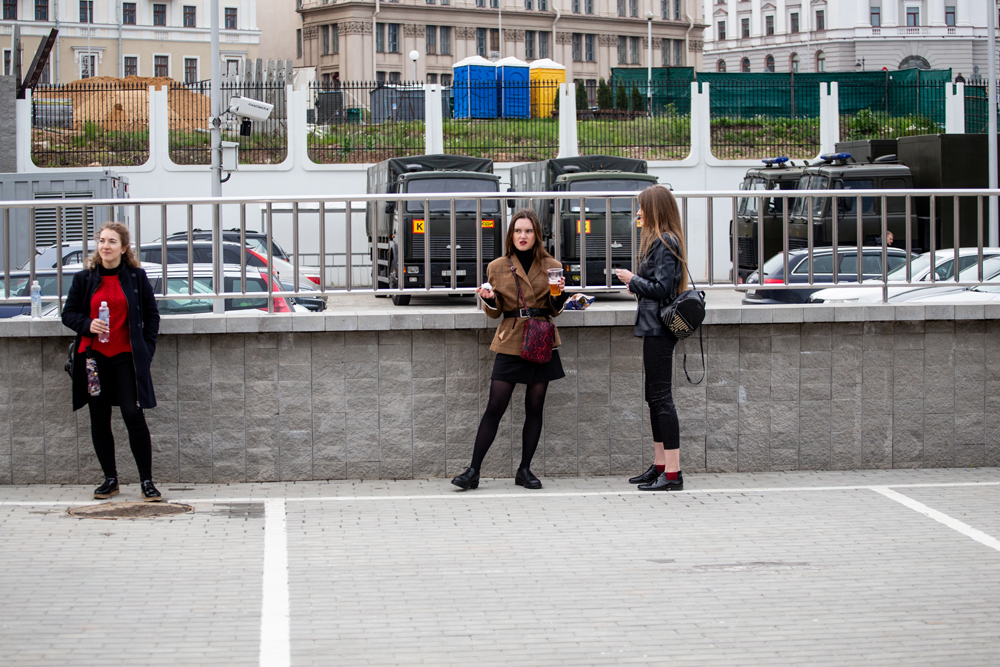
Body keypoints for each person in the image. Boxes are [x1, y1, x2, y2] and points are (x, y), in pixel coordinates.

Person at [451, 209, 568, 491]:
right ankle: (473, 470)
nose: (523, 236)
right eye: (518, 231)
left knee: (535, 407)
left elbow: (556, 310)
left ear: (536, 234)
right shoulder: (498, 266)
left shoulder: (552, 264)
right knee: (495, 406)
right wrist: (489, 299)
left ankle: (524, 470)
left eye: (528, 231)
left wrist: (559, 293)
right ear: (510, 235)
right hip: (512, 336)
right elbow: (495, 313)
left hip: (541, 338)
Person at [62, 222, 162, 501]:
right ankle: (110, 479)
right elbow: (67, 314)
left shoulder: (136, 277)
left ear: (124, 247)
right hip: (93, 360)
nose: (105, 246)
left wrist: (146, 349)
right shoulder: (84, 279)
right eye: (102, 241)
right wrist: (86, 324)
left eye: (112, 242)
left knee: (133, 414)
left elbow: (153, 317)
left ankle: (146, 481)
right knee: (99, 418)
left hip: (126, 360)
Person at [614, 185, 687, 492]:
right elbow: (656, 285)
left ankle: (673, 473)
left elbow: (662, 289)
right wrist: (637, 285)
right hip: (652, 326)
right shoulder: (659, 241)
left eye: (642, 207)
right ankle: (660, 466)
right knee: (653, 398)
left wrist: (633, 279)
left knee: (661, 399)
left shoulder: (666, 241)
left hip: (659, 329)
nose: (638, 213)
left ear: (655, 209)